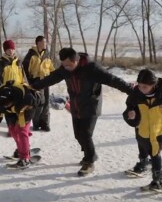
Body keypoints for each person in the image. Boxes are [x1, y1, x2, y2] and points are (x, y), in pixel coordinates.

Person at [32, 47, 133, 176]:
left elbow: (113, 80)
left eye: (69, 65)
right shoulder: (65, 69)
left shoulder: (92, 69)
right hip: (76, 106)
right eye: (63, 65)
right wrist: (33, 87)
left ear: (77, 60)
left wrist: (131, 91)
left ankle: (89, 161)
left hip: (91, 106)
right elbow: (51, 78)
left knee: (85, 134)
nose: (66, 67)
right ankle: (89, 154)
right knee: (78, 135)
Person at [122, 68, 162, 190]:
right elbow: (128, 110)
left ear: (153, 85)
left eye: (145, 87)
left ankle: (157, 180)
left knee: (155, 154)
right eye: (139, 86)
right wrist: (130, 114)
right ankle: (143, 162)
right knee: (142, 146)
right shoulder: (135, 95)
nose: (141, 89)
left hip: (158, 132)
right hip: (142, 130)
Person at [0, 80, 44, 169]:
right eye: (4, 106)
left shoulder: (26, 97)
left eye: (7, 104)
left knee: (21, 131)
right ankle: (21, 150)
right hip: (12, 111)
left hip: (26, 109)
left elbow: (41, 100)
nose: (5, 106)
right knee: (13, 131)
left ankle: (25, 158)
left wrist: (30, 106)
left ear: (12, 100)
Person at [0, 39, 29, 158]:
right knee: (12, 128)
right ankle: (20, 147)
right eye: (8, 49)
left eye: (12, 49)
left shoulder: (18, 62)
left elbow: (23, 78)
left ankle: (23, 149)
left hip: (19, 96)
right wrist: (0, 96)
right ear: (5, 50)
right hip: (7, 97)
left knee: (21, 127)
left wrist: (27, 90)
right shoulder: (1, 64)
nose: (11, 51)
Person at [23, 36, 55, 132]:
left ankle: (45, 123)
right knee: (37, 103)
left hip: (46, 81)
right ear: (38, 43)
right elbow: (24, 70)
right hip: (35, 82)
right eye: (44, 42)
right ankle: (36, 124)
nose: (46, 43)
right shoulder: (31, 55)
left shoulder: (47, 55)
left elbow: (51, 68)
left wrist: (53, 77)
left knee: (46, 103)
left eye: (46, 42)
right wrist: (30, 83)